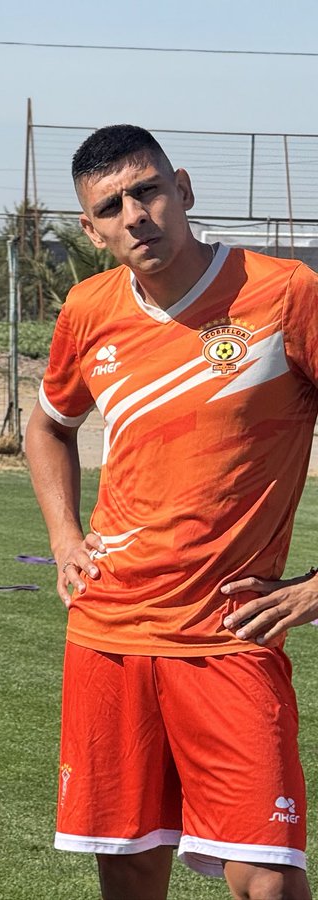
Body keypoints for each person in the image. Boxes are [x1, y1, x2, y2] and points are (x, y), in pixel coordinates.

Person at [26, 123, 318, 899]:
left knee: (268, 881)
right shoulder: (88, 310)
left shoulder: (286, 293)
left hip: (229, 634)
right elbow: (50, 425)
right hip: (108, 632)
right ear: (91, 231)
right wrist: (64, 538)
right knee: (129, 876)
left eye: (147, 191)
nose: (136, 215)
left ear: (182, 189)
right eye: (111, 207)